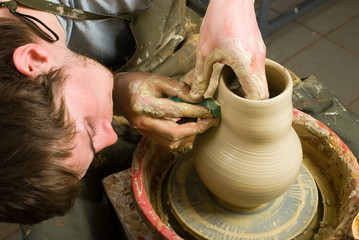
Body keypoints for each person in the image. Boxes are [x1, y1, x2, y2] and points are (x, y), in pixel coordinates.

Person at [0, 0, 268, 238]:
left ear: (34, 59)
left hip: (167, 41)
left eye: (90, 129)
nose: (112, 135)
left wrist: (232, 6)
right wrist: (117, 92)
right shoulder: (37, 77)